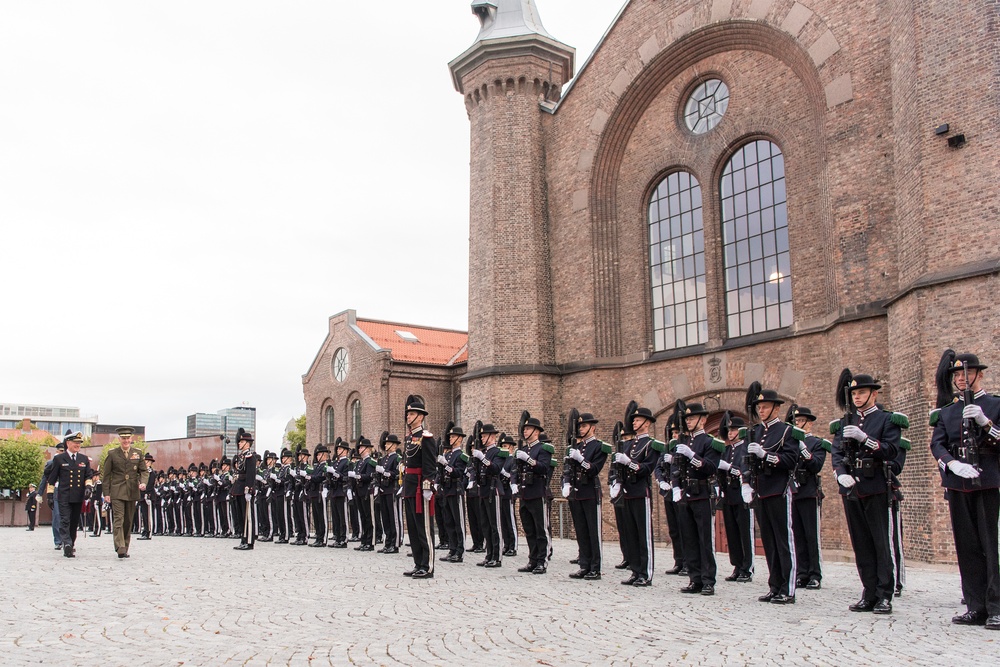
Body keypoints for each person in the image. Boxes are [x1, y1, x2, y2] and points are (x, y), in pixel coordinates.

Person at [929, 351, 1000, 630]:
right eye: (957, 375)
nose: (961, 379)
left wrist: (987, 424)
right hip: (959, 482)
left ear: (979, 375)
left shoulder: (994, 405)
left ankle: (997, 607)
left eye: (966, 374)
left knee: (990, 546)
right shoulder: (947, 411)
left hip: (988, 480)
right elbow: (938, 444)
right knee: (967, 546)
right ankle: (976, 606)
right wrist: (951, 464)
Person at [830, 371, 904, 614]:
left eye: (861, 392)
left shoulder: (886, 420)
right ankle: (868, 592)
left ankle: (884, 594)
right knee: (861, 543)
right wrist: (840, 473)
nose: (857, 397)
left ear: (874, 393)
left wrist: (865, 439)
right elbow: (838, 453)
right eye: (854, 393)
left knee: (881, 543)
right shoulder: (844, 422)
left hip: (876, 486)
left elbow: (892, 450)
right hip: (852, 488)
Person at [740, 386, 801, 605]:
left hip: (779, 488)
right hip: (761, 490)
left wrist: (766, 455)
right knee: (769, 541)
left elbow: (790, 460)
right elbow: (744, 460)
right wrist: (746, 482)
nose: (762, 410)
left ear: (776, 408)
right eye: (759, 407)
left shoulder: (786, 431)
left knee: (783, 540)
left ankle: (788, 588)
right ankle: (774, 585)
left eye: (765, 406)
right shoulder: (754, 432)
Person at [671, 403, 723, 596]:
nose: (689, 422)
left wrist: (692, 456)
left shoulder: (710, 442)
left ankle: (708, 580)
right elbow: (676, 468)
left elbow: (710, 467)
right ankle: (695, 578)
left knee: (704, 539)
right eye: (687, 419)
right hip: (686, 494)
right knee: (689, 538)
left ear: (702, 420)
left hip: (701, 493)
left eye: (692, 418)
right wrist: (675, 484)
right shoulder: (683, 442)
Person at [612, 406, 662, 586]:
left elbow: (647, 468)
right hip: (627, 492)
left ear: (647, 423)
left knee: (643, 534)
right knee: (630, 533)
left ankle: (645, 573)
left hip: (641, 492)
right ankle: (635, 570)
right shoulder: (628, 444)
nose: (634, 422)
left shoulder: (651, 444)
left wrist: (629, 463)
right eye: (633, 420)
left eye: (638, 420)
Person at [564, 412, 610, 581]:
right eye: (580, 427)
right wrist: (567, 483)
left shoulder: (599, 447)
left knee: (593, 531)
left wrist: (581, 460)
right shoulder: (577, 447)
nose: (581, 429)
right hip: (577, 492)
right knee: (581, 531)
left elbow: (594, 469)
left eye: (584, 426)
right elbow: (569, 468)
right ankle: (584, 565)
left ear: (593, 427)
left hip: (590, 491)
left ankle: (595, 568)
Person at [789, 406, 829, 591]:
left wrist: (803, 449)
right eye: (795, 421)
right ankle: (802, 572)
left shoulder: (817, 443)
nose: (797, 424)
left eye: (800, 421)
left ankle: (815, 574)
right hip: (794, 492)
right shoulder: (790, 442)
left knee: (811, 535)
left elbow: (816, 465)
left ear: (809, 423)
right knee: (797, 535)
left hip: (809, 492)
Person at [402, 396, 438, 578]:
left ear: (421, 417)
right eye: (408, 413)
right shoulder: (409, 438)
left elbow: (430, 466)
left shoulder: (426, 438)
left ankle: (428, 566)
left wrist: (427, 486)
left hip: (419, 488)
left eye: (413, 414)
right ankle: (418, 563)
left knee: (424, 528)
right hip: (409, 487)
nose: (409, 417)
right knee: (414, 529)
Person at [515, 414, 555, 575]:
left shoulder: (543, 449)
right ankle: (532, 559)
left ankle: (542, 561)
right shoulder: (524, 449)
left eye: (528, 429)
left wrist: (529, 460)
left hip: (538, 492)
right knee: (529, 529)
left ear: (536, 431)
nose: (525, 431)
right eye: (524, 429)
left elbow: (544, 468)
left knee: (541, 529)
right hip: (525, 493)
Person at [100, 427, 149, 559]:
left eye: (128, 438)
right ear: (119, 439)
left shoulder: (137, 453)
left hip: (132, 491)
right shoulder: (112, 454)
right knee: (118, 519)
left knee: (128, 520)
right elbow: (106, 476)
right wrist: (106, 493)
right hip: (117, 491)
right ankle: (120, 546)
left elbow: (144, 471)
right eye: (123, 438)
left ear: (131, 439)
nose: (126, 440)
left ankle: (125, 546)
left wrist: (143, 482)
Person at [44, 431, 95, 558]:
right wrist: (50, 495)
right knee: (65, 520)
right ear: (68, 443)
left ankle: (71, 543)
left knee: (74, 522)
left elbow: (88, 475)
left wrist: (88, 487)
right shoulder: (59, 459)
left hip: (78, 496)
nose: (78, 445)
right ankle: (66, 543)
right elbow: (52, 478)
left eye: (79, 443)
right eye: (75, 442)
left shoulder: (83, 459)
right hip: (64, 496)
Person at [717, 413, 753, 583]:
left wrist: (729, 468)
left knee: (745, 532)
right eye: (729, 430)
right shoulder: (727, 450)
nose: (730, 433)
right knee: (732, 532)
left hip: (742, 494)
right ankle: (737, 565)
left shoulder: (744, 447)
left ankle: (748, 567)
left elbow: (744, 470)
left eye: (733, 430)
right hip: (729, 494)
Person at [655, 413, 685, 576]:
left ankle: (688, 561)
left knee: (684, 527)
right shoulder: (668, 448)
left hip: (681, 492)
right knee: (673, 529)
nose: (675, 435)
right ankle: (679, 560)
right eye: (673, 433)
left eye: (677, 432)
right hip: (668, 492)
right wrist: (661, 481)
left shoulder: (685, 448)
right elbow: (658, 467)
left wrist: (673, 460)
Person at [473, 423, 504, 568]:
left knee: (495, 525)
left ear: (492, 436)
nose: (482, 438)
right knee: (485, 524)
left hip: (493, 489)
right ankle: (489, 553)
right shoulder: (483, 452)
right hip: (484, 490)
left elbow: (496, 468)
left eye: (484, 435)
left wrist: (482, 459)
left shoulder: (498, 451)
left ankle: (496, 556)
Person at [437, 425, 468, 563]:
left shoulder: (461, 455)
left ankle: (459, 551)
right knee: (448, 521)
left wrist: (446, 465)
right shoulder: (448, 454)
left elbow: (458, 473)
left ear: (460, 439)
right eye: (450, 436)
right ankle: (452, 548)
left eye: (454, 436)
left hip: (456, 490)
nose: (451, 438)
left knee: (458, 522)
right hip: (447, 490)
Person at [230, 428, 258, 550]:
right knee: (241, 516)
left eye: (241, 442)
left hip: (245, 488)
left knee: (248, 517)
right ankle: (243, 539)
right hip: (239, 488)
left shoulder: (250, 457)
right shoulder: (241, 457)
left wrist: (249, 489)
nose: (239, 444)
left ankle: (249, 541)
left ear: (247, 443)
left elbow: (251, 474)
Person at [377, 433, 403, 554]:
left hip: (392, 489)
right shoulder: (383, 459)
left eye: (388, 443)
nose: (386, 445)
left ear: (394, 445)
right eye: (385, 443)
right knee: (385, 518)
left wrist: (385, 472)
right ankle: (387, 542)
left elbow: (398, 474)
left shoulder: (397, 458)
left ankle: (395, 543)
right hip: (383, 490)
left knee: (393, 518)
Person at [351, 437, 377, 551]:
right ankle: (364, 540)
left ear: (367, 449)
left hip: (367, 491)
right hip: (359, 491)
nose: (359, 449)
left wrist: (359, 476)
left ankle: (370, 542)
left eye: (361, 447)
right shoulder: (360, 462)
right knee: (362, 516)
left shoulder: (370, 461)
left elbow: (370, 476)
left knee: (368, 517)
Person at [498, 434, 519, 557]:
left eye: (505, 446)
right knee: (503, 520)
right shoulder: (502, 460)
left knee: (510, 519)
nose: (504, 448)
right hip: (502, 492)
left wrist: (504, 472)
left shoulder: (513, 460)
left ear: (511, 447)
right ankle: (506, 544)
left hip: (509, 492)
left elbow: (513, 475)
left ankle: (513, 546)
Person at [308, 445, 331, 547]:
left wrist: (310, 477)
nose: (317, 456)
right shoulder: (317, 466)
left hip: (320, 493)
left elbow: (319, 478)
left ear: (325, 455)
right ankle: (318, 536)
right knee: (316, 517)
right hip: (314, 493)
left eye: (320, 454)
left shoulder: (325, 466)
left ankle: (322, 538)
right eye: (317, 455)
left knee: (322, 516)